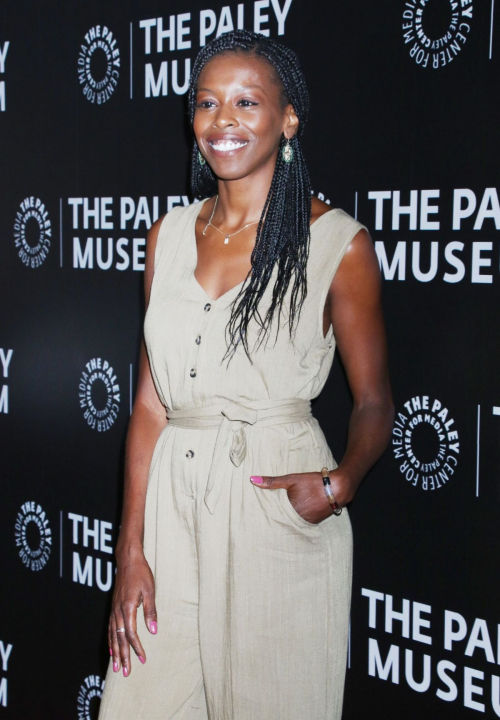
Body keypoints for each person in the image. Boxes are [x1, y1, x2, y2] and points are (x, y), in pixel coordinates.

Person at [98, 29, 394, 720]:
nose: (222, 121)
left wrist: (341, 481)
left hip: (273, 502)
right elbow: (149, 406)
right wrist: (131, 550)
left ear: (287, 119)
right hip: (171, 507)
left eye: (245, 103)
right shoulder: (167, 236)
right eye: (206, 103)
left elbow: (375, 400)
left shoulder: (337, 244)